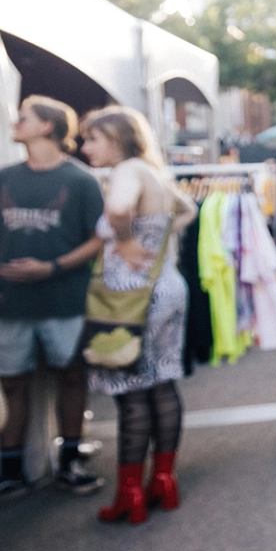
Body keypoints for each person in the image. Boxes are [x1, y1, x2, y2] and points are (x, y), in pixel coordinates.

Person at [0, 96, 107, 509]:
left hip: (66, 300)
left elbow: (99, 238)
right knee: (11, 384)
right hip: (11, 303)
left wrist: (52, 267)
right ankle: (10, 473)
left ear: (48, 127)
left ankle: (70, 461)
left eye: (25, 117)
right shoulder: (0, 179)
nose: (15, 122)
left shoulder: (80, 181)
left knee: (71, 377)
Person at [78, 108, 196, 525]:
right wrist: (156, 237)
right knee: (162, 383)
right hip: (166, 286)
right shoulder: (153, 171)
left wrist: (126, 242)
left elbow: (119, 209)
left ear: (116, 138)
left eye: (92, 138)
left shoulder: (127, 171)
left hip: (131, 296)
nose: (85, 147)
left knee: (130, 392)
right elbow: (188, 210)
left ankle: (130, 491)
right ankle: (163, 479)